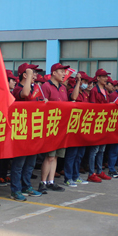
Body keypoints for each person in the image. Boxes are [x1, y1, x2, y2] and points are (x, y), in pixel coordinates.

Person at [9, 63, 43, 201]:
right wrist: (29, 76)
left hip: (33, 130)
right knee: (19, 163)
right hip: (21, 131)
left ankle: (26, 186)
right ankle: (15, 190)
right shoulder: (19, 88)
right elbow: (24, 94)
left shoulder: (35, 89)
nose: (36, 75)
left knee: (30, 163)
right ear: (25, 75)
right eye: (33, 72)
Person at [39, 63, 71, 192]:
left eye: (64, 72)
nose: (64, 74)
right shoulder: (46, 86)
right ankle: (43, 182)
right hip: (50, 126)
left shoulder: (63, 88)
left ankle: (51, 181)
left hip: (61, 126)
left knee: (56, 156)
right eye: (61, 71)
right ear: (54, 73)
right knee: (50, 156)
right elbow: (41, 105)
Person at [87, 69, 112, 182]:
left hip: (104, 122)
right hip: (97, 122)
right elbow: (93, 107)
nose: (106, 78)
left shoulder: (105, 90)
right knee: (95, 149)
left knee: (102, 149)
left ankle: (99, 171)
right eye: (103, 76)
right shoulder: (94, 91)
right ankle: (91, 172)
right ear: (98, 78)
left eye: (106, 76)